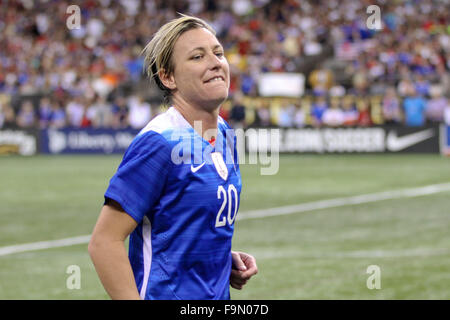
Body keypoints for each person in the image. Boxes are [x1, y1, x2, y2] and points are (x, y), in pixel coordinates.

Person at [88, 15, 258, 300]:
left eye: (218, 53)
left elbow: (185, 226)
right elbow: (104, 242)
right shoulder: (159, 142)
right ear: (168, 77)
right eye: (197, 56)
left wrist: (220, 259)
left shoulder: (226, 135)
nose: (215, 62)